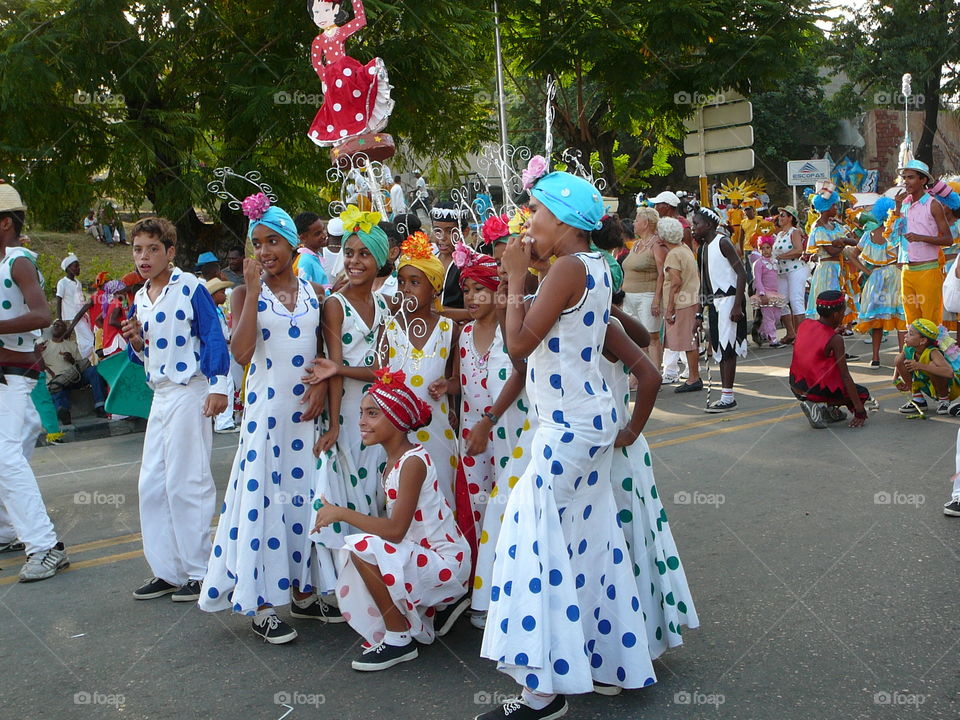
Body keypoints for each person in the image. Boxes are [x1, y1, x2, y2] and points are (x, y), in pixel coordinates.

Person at [478, 169, 655, 720]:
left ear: (563, 222)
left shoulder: (569, 268)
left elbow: (518, 347)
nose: (529, 222)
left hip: (565, 431)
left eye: (536, 212)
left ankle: (541, 692)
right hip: (591, 423)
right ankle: (606, 661)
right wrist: (532, 273)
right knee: (589, 541)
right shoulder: (596, 266)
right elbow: (580, 334)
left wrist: (512, 280)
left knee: (530, 543)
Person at [199, 196, 330, 643]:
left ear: (293, 244)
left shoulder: (316, 292)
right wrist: (253, 293)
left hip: (305, 417)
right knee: (262, 505)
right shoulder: (242, 292)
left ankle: (303, 593)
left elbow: (324, 353)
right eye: (257, 243)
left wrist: (319, 387)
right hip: (266, 418)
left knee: (303, 500)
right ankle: (258, 603)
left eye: (273, 240)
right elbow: (240, 352)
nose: (265, 250)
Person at [313, 370, 470, 670]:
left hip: (444, 561)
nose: (361, 421)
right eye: (361, 413)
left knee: (360, 547)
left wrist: (340, 512)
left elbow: (396, 531)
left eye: (372, 414)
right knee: (366, 549)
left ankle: (399, 639)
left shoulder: (411, 463)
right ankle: (418, 615)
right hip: (428, 555)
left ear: (397, 419)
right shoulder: (395, 461)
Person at [121, 216, 231, 602]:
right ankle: (168, 571)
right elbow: (145, 357)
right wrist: (136, 342)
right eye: (138, 249)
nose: (144, 257)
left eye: (153, 249)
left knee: (188, 481)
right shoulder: (140, 298)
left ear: (170, 251)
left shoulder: (191, 288)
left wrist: (219, 386)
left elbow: (214, 335)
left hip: (190, 391)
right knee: (151, 484)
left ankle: (200, 571)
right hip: (161, 394)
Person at [307, 207, 391, 568]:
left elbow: (385, 371)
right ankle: (345, 577)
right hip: (344, 411)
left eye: (365, 254)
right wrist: (337, 424)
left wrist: (345, 368)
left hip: (378, 411)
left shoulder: (385, 304)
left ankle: (373, 570)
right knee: (345, 489)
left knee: (373, 489)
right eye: (350, 253)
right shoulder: (334, 305)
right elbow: (333, 372)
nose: (355, 261)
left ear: (380, 260)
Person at [0, 180, 70, 582]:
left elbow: (42, 315)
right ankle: (10, 531)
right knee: (8, 458)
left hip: (14, 377)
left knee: (7, 459)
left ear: (5, 223)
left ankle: (45, 547)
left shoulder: (18, 262)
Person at [386, 231, 460, 508]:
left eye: (415, 283)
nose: (406, 289)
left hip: (438, 429)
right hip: (398, 431)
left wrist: (448, 389)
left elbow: (457, 380)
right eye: (402, 282)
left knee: (441, 492)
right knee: (403, 498)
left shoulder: (448, 329)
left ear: (435, 288)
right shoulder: (390, 328)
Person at [790, 291, 870, 429]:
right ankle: (821, 406)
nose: (844, 315)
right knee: (862, 393)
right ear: (836, 315)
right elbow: (845, 375)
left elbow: (814, 344)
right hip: (815, 391)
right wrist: (859, 411)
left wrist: (832, 332)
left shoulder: (804, 324)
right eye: (843, 312)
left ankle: (828, 410)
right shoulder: (835, 340)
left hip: (796, 386)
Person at [694, 207, 747, 412]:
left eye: (696, 224)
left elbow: (741, 274)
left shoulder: (723, 242)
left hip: (729, 300)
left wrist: (737, 305)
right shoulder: (703, 248)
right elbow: (704, 284)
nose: (693, 227)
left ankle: (728, 397)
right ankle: (726, 395)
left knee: (727, 348)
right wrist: (699, 313)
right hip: (715, 303)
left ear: (708, 225)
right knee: (719, 346)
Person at [893, 160, 954, 326]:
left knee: (931, 324)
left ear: (923, 180)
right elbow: (895, 235)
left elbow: (948, 239)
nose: (906, 181)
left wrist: (922, 238)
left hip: (928, 270)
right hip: (907, 270)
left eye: (911, 177)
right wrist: (897, 209)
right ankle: (914, 352)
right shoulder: (904, 205)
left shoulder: (933, 205)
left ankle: (934, 353)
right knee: (911, 324)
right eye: (905, 177)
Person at [852, 198, 905, 367]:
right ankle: (902, 357)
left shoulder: (869, 234)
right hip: (895, 275)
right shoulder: (895, 233)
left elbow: (852, 255)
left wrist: (867, 271)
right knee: (900, 317)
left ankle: (875, 357)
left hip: (875, 277)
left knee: (877, 319)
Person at [621, 206, 667, 372]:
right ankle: (640, 374)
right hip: (630, 296)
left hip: (647, 295)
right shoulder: (637, 244)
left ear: (646, 223)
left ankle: (655, 372)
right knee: (637, 338)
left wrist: (656, 299)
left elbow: (662, 272)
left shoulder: (656, 244)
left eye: (637, 220)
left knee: (651, 337)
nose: (634, 223)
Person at [660, 216, 703, 392]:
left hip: (682, 302)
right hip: (692, 299)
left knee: (687, 341)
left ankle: (694, 378)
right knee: (690, 339)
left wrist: (669, 308)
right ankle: (694, 376)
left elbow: (675, 281)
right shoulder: (684, 248)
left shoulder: (673, 255)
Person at [804, 190, 858, 327]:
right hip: (827, 271)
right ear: (826, 207)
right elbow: (832, 251)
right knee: (830, 304)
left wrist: (843, 240)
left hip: (838, 269)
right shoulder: (818, 227)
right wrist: (844, 242)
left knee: (839, 303)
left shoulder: (835, 225)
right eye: (834, 205)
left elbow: (855, 241)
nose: (837, 208)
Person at [39, 320, 107, 425]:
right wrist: (37, 352)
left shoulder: (71, 345)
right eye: (54, 325)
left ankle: (100, 405)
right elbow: (34, 362)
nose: (56, 326)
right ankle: (63, 412)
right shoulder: (43, 344)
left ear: (65, 331)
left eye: (60, 325)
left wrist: (72, 360)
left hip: (74, 377)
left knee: (94, 370)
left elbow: (80, 365)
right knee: (59, 390)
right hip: (56, 381)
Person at [893, 319, 960, 415]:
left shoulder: (933, 352)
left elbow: (949, 372)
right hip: (927, 381)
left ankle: (944, 400)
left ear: (923, 340)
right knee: (899, 359)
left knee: (933, 365)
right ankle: (918, 399)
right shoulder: (908, 347)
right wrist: (895, 377)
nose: (905, 335)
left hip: (950, 388)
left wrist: (920, 366)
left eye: (910, 334)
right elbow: (898, 362)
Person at [203, 278, 239, 434]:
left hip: (224, 351)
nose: (225, 296)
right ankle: (223, 421)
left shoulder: (217, 310)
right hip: (218, 354)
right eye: (222, 293)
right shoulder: (211, 312)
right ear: (213, 295)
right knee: (226, 385)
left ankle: (222, 418)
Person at [771, 206, 808, 344]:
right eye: (779, 215)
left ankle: (802, 335)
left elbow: (799, 250)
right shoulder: (780, 234)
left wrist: (782, 256)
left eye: (782, 215)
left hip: (795, 270)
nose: (779, 218)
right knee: (780, 301)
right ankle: (790, 332)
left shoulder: (795, 232)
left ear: (790, 218)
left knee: (796, 301)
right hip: (781, 272)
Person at [56, 253, 95, 360]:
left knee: (85, 340)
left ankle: (86, 359)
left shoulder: (78, 283)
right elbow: (58, 300)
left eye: (79, 266)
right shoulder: (62, 283)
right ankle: (84, 359)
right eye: (76, 266)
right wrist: (60, 319)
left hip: (80, 315)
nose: (78, 268)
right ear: (68, 268)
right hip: (71, 316)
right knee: (89, 340)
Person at [430, 202, 467, 309]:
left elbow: (471, 312)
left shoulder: (469, 263)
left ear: (465, 232)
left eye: (450, 231)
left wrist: (433, 313)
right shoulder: (429, 257)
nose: (442, 238)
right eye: (437, 231)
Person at [750, 235, 786, 347]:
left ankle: (761, 332)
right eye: (762, 248)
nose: (765, 250)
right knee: (769, 317)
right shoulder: (759, 263)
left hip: (775, 293)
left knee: (776, 316)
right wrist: (762, 293)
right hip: (764, 293)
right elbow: (758, 280)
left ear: (771, 248)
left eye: (767, 247)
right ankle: (773, 340)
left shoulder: (774, 262)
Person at [293, 212, 331, 288]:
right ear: (303, 238)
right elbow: (304, 293)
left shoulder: (316, 255)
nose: (324, 235)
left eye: (323, 230)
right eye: (318, 234)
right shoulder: (305, 262)